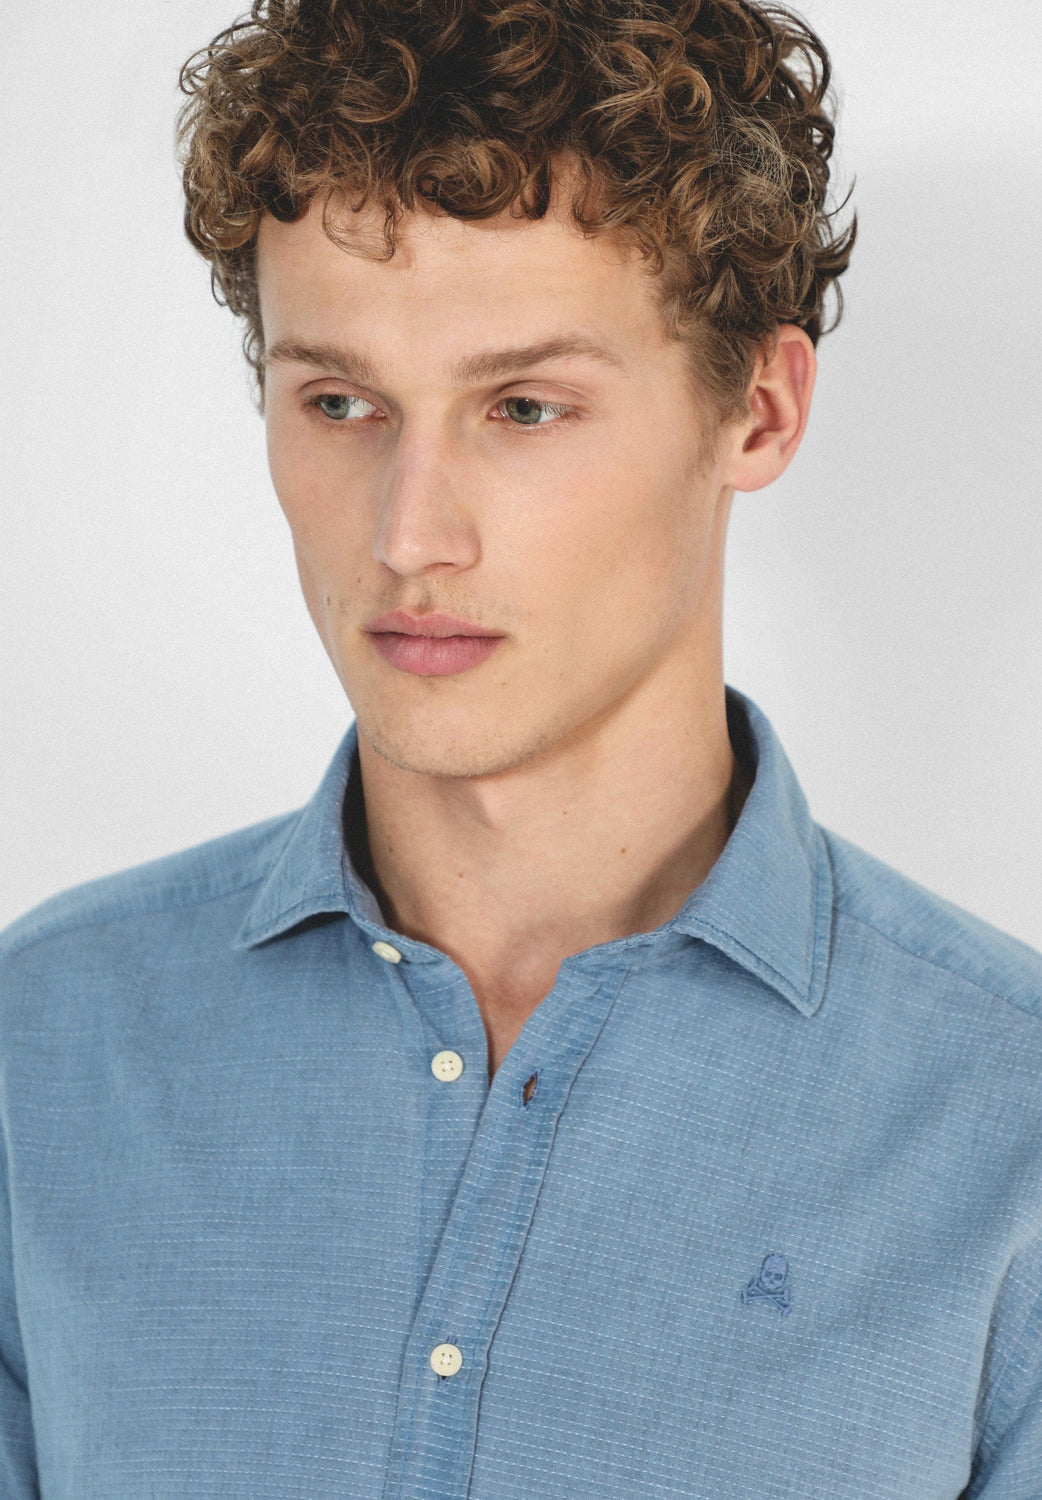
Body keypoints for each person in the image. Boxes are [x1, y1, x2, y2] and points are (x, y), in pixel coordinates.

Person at [1, 0, 1039, 1493]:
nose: (408, 533)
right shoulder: (42, 1050)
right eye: (339, 402)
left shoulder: (1006, 1126)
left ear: (757, 410)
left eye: (525, 407)